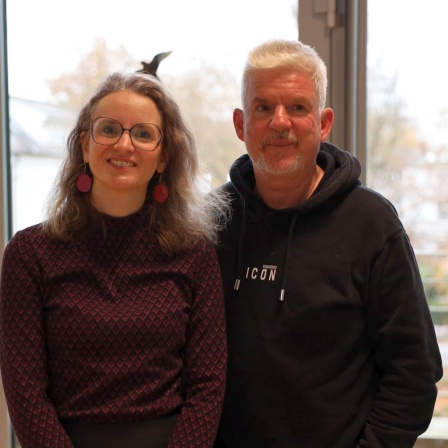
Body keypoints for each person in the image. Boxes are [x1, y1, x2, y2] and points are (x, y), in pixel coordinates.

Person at [213, 39, 443, 448]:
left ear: (323, 123)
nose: (279, 122)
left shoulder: (371, 224)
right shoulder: (214, 221)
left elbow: (414, 374)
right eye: (263, 107)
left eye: (297, 107)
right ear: (240, 124)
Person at [0, 72, 229, 448]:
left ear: (163, 156)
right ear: (85, 146)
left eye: (143, 133)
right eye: (108, 129)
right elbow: (25, 391)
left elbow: (207, 386)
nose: (124, 145)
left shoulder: (193, 254)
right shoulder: (29, 254)